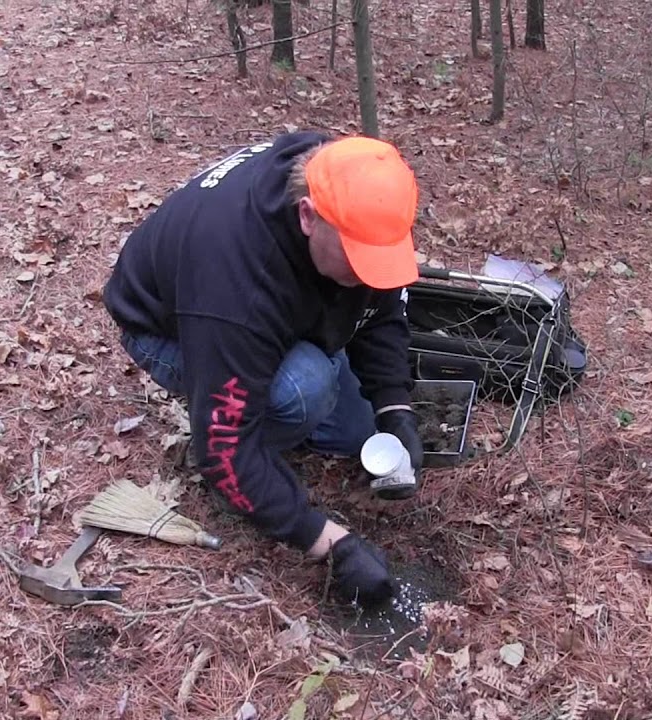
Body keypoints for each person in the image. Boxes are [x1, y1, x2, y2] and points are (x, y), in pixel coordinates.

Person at [102, 130, 427, 606]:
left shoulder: (351, 185)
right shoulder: (235, 285)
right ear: (308, 217)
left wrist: (394, 407)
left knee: (356, 431)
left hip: (266, 305)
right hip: (166, 328)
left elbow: (380, 309)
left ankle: (290, 401)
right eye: (358, 258)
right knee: (306, 387)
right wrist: (330, 543)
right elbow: (225, 448)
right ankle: (255, 466)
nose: (367, 275)